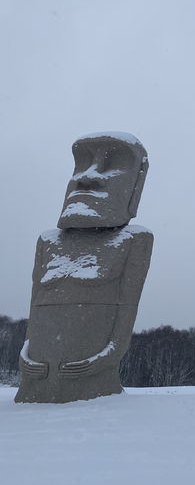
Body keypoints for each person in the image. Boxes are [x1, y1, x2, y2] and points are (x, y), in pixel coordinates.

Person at [15, 132, 153, 403]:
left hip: (91, 385)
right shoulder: (48, 241)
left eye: (112, 165)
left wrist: (100, 361)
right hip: (36, 380)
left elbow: (125, 318)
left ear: (136, 184)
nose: (87, 176)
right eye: (82, 163)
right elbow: (35, 309)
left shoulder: (133, 240)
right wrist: (25, 356)